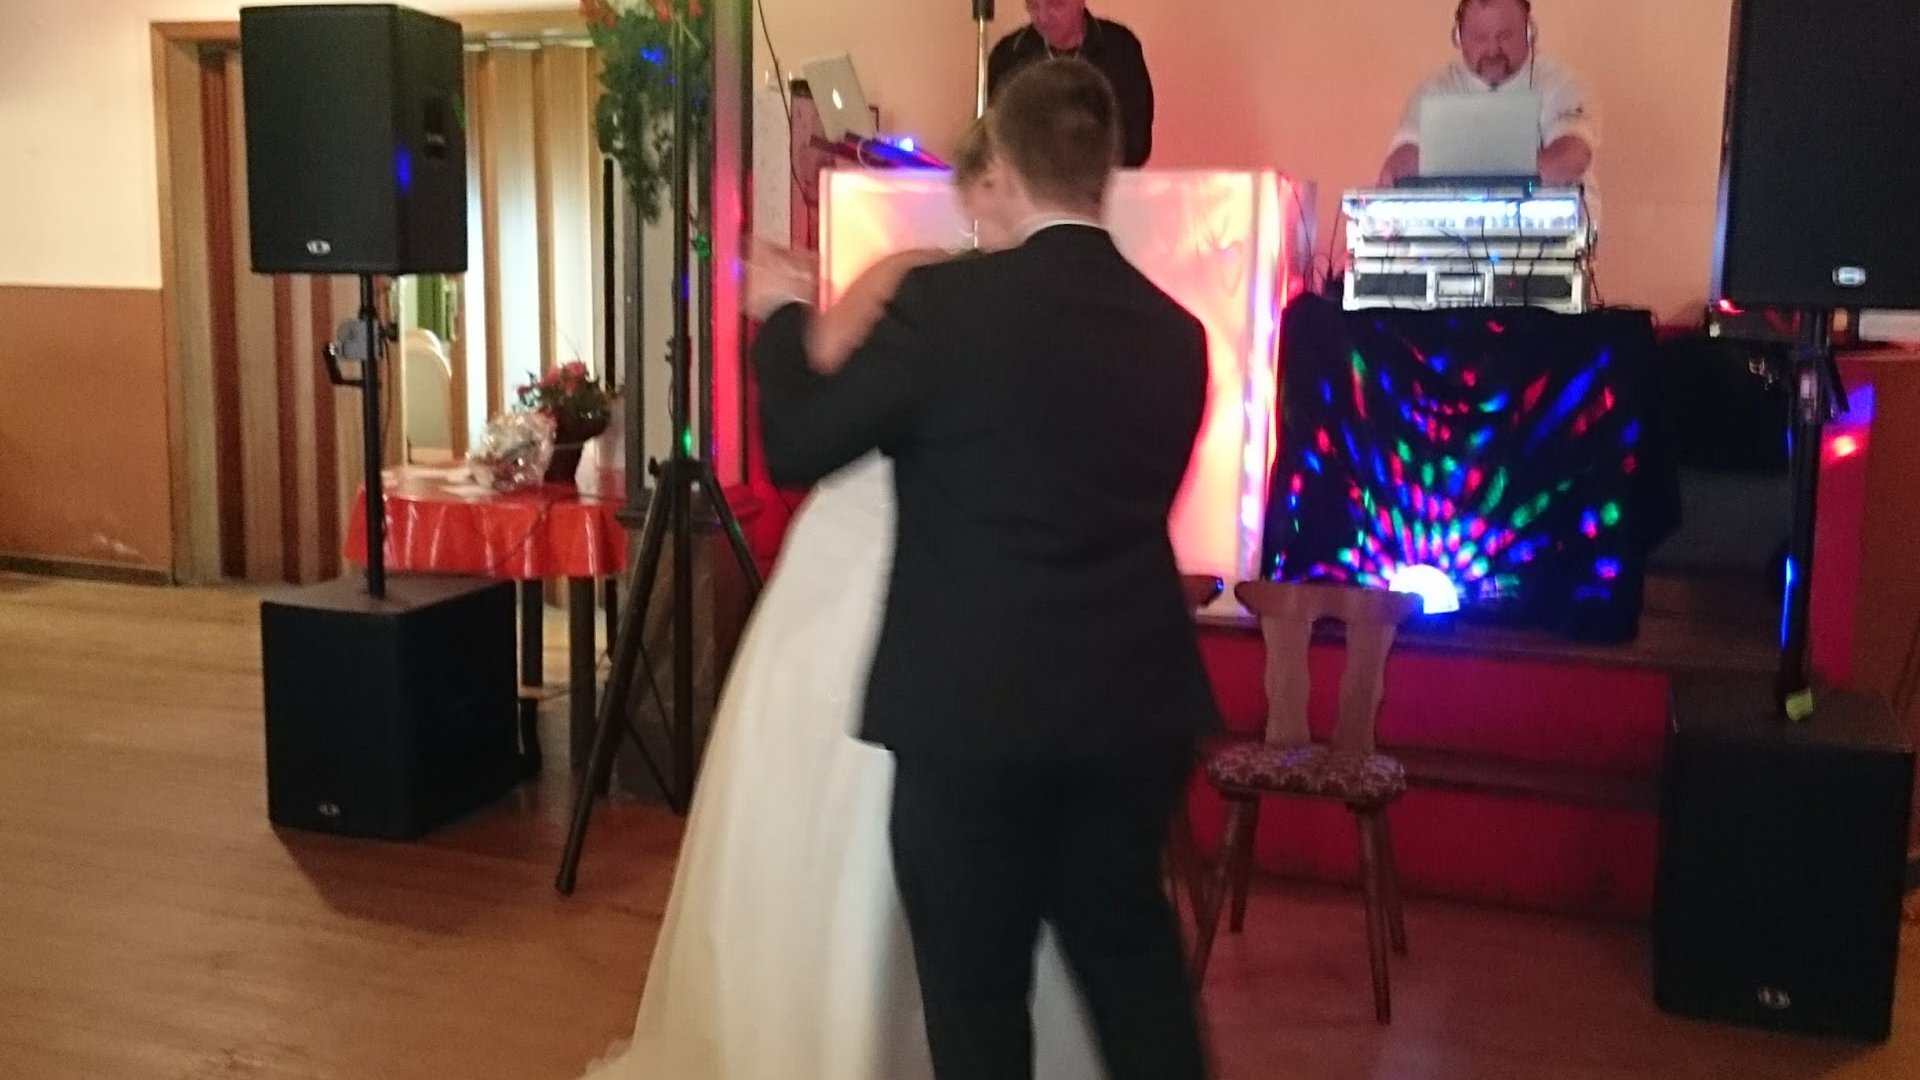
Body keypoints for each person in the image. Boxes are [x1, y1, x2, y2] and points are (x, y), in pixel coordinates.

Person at [574, 119, 1107, 1080]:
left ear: (989, 186)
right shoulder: (1044, 316)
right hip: (977, 613)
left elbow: (807, 417)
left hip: (856, 594)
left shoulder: (911, 279)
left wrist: (779, 310)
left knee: (826, 828)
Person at [750, 59, 1216, 1080]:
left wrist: (779, 316)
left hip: (974, 714)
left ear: (1000, 164)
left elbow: (798, 446)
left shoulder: (950, 308)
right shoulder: (1178, 336)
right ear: (1101, 170)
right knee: (1134, 969)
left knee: (975, 1000)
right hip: (1133, 709)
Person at [1379, 0, 1598, 186]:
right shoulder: (1434, 90)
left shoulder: (1560, 84)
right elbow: (1400, 164)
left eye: (1505, 36)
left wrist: (1469, 170)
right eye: (1480, 38)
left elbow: (1572, 158)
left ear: (1529, 33)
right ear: (1458, 38)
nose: (1493, 50)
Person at [988, 1, 1154, 167]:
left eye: (1055, 5)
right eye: (1033, 6)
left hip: (1106, 178)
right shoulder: (1010, 55)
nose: (1042, 17)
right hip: (1032, 179)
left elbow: (1136, 140)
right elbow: (996, 136)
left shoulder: (1120, 48)